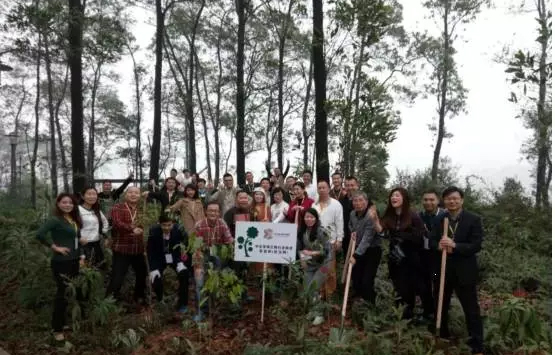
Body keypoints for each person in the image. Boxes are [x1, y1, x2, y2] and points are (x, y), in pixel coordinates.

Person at [429, 186, 484, 355]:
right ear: (444, 201)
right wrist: (438, 246)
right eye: (448, 199)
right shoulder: (439, 219)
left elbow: (476, 245)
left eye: (455, 198)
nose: (452, 201)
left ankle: (477, 344)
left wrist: (455, 246)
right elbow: (431, 241)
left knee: (471, 308)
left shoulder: (473, 219)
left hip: (464, 270)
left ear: (461, 200)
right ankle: (442, 334)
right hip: (441, 269)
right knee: (440, 302)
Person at [36, 193, 84, 342]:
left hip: (75, 260)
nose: (68, 205)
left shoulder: (73, 220)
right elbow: (39, 234)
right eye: (64, 202)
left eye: (70, 202)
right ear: (58, 204)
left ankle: (63, 323)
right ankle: (56, 328)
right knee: (62, 294)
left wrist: (81, 255)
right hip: (61, 262)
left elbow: (76, 239)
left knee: (71, 292)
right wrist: (54, 247)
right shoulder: (55, 220)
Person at [381, 187, 434, 320]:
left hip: (413, 258)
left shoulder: (413, 215)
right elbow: (382, 233)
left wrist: (403, 236)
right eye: (392, 196)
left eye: (397, 195)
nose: (394, 198)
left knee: (419, 287)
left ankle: (428, 314)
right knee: (400, 287)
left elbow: (421, 235)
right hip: (396, 258)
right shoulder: (388, 216)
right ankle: (404, 316)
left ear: (404, 198)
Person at [192, 202, 234, 321]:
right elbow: (196, 246)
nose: (213, 213)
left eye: (216, 211)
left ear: (219, 213)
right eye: (210, 210)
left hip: (217, 253)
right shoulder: (199, 225)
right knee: (199, 283)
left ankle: (213, 307)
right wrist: (199, 265)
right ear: (206, 211)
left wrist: (235, 245)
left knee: (215, 280)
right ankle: (200, 311)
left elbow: (229, 240)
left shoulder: (222, 223)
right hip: (201, 254)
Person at [106, 187, 147, 308]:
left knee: (141, 274)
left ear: (139, 195)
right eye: (130, 192)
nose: (133, 195)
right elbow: (117, 223)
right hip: (122, 249)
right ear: (125, 195)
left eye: (136, 193)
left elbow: (147, 225)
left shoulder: (142, 209)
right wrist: (132, 228)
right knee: (117, 277)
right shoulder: (118, 207)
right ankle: (109, 303)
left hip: (138, 249)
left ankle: (138, 298)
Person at [147, 214, 190, 313]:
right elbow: (150, 251)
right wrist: (153, 268)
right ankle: (160, 301)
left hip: (175, 258)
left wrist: (181, 262)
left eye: (169, 225)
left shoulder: (178, 231)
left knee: (184, 273)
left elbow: (183, 247)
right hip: (159, 259)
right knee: (155, 277)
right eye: (164, 225)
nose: (166, 228)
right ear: (159, 224)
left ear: (173, 224)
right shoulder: (154, 232)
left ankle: (183, 303)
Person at [298, 208, 332, 326]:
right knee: (307, 288)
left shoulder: (322, 231)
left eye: (311, 217)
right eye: (306, 217)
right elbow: (301, 248)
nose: (309, 219)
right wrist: (303, 259)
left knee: (314, 287)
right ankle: (313, 311)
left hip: (324, 265)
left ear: (316, 219)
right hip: (310, 264)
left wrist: (313, 253)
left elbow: (327, 251)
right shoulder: (303, 231)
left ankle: (319, 314)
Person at [348, 191, 382, 306]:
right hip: (358, 248)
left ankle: (371, 304)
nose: (358, 203)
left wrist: (355, 255)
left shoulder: (370, 216)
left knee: (367, 280)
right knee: (356, 276)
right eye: (355, 201)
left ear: (366, 202)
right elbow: (351, 225)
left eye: (361, 200)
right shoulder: (353, 214)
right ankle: (359, 298)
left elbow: (367, 239)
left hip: (372, 250)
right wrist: (352, 231)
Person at [312, 179, 344, 297]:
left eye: (323, 187)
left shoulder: (336, 204)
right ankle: (319, 292)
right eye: (319, 188)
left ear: (328, 189)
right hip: (316, 242)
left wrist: (339, 239)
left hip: (330, 241)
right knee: (318, 268)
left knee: (330, 269)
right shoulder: (314, 205)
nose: (321, 190)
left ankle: (330, 293)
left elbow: (339, 222)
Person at [418, 189, 444, 322]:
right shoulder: (419, 216)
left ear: (438, 201)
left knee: (437, 283)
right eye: (426, 200)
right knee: (423, 284)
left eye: (432, 200)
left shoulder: (444, 216)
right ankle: (427, 310)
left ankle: (439, 313)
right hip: (423, 255)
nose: (428, 202)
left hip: (438, 256)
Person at [79, 187, 109, 268]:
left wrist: (104, 234)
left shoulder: (96, 210)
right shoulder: (78, 210)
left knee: (100, 268)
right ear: (82, 196)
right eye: (89, 194)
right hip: (83, 246)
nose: (92, 196)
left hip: (96, 244)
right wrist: (79, 238)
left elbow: (105, 222)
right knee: (86, 271)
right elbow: (72, 228)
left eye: (94, 194)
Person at [339, 176, 361, 256]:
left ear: (357, 185)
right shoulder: (341, 202)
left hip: (361, 238)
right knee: (347, 262)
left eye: (352, 185)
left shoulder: (365, 200)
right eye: (347, 185)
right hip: (346, 238)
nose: (350, 188)